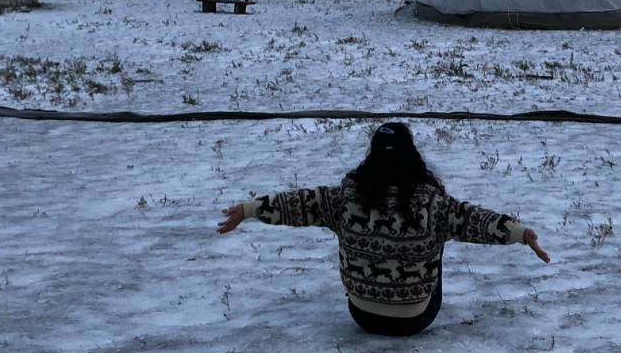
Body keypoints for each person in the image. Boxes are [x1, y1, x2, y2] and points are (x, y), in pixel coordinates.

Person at [217, 121, 552, 336]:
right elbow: (474, 220)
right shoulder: (433, 203)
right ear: (412, 158)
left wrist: (249, 210)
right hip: (417, 320)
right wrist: (520, 233)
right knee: (444, 230)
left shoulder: (343, 199)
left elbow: (301, 204)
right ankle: (413, 290)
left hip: (362, 315)